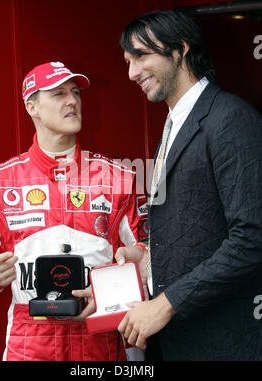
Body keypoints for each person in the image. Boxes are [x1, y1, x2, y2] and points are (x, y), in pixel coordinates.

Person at [0, 61, 148, 361]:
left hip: (103, 344)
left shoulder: (119, 178)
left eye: (75, 92)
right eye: (59, 93)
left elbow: (150, 254)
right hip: (30, 348)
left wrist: (107, 297)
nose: (72, 100)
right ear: (31, 107)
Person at [115, 9, 262, 361]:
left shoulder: (231, 118)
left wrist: (167, 304)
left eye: (141, 56)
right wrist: (149, 259)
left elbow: (252, 237)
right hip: (179, 341)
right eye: (127, 61)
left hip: (223, 342)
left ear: (179, 50)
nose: (132, 73)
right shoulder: (175, 123)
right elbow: (198, 228)